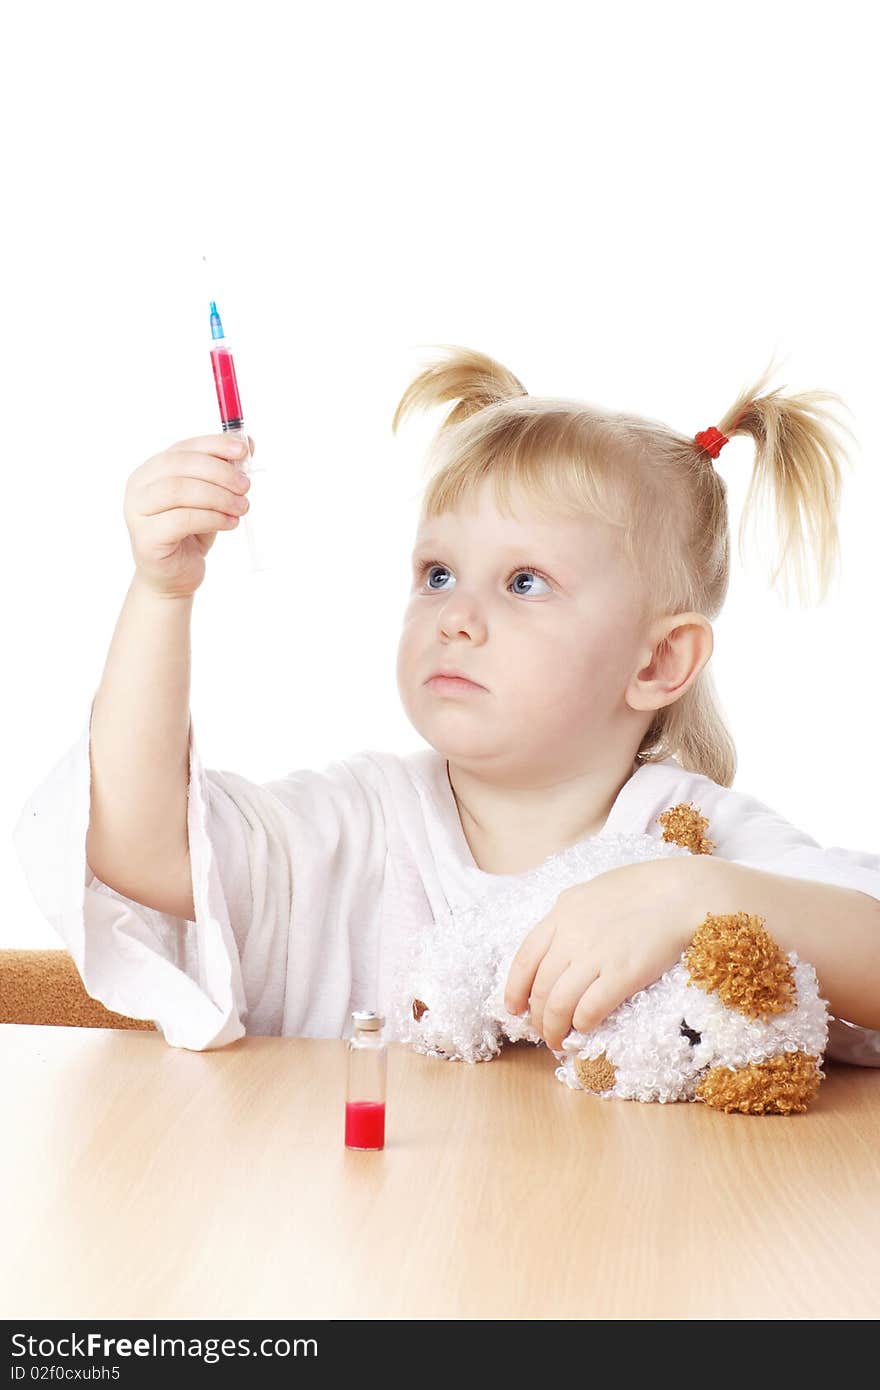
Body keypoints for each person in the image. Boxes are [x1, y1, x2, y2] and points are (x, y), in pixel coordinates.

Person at [12, 346, 880, 1063]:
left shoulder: (696, 842)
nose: (457, 618)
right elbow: (140, 844)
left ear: (658, 661)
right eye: (437, 574)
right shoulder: (359, 825)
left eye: (525, 582)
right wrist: (162, 594)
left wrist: (694, 894)